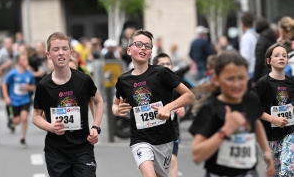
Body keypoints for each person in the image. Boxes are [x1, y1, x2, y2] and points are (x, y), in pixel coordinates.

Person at [112, 29, 195, 177]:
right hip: (140, 138)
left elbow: (189, 96)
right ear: (129, 50)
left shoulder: (162, 73)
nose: (143, 48)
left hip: (164, 139)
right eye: (138, 44)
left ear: (151, 53)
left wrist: (168, 107)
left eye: (147, 46)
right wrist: (116, 110)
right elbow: (115, 105)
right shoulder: (124, 80)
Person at [189, 50, 275, 177]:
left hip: (248, 173)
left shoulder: (251, 100)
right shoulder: (210, 108)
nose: (237, 84)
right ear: (216, 79)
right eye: (230, 79)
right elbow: (197, 156)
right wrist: (225, 131)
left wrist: (267, 151)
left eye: (241, 78)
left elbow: (255, 122)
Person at [32, 32, 104, 177]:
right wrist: (51, 127)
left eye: (64, 49)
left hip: (83, 148)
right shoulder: (44, 85)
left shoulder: (84, 80)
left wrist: (96, 127)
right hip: (56, 152)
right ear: (48, 55)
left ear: (70, 52)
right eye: (56, 49)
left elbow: (99, 101)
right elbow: (36, 117)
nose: (60, 53)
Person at [252, 43, 294, 176]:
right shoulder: (263, 83)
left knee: (288, 169)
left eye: (284, 55)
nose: (281, 58)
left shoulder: (291, 83)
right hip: (269, 136)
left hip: (290, 132)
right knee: (275, 171)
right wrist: (273, 119)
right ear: (269, 61)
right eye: (277, 55)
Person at [152, 53, 185, 177]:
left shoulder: (176, 83)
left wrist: (181, 106)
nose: (166, 66)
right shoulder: (151, 84)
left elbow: (185, 97)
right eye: (162, 64)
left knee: (172, 159)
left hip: (171, 128)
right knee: (156, 166)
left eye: (168, 64)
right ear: (155, 67)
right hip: (153, 130)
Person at [2, 53, 35, 148]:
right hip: (14, 100)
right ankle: (11, 120)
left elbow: (33, 86)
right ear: (19, 62)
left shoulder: (29, 74)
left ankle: (22, 139)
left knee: (24, 118)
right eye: (24, 60)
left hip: (25, 100)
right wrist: (6, 97)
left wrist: (28, 87)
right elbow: (5, 84)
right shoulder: (13, 73)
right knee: (16, 122)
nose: (26, 62)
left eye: (27, 59)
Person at [253, 17, 276, 83]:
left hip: (264, 74)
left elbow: (259, 61)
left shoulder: (262, 40)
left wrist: (255, 79)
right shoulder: (272, 37)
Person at [239, 12, 258, 79]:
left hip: (250, 71)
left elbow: (245, 57)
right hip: (257, 68)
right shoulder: (256, 35)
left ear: (242, 24)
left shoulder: (246, 37)